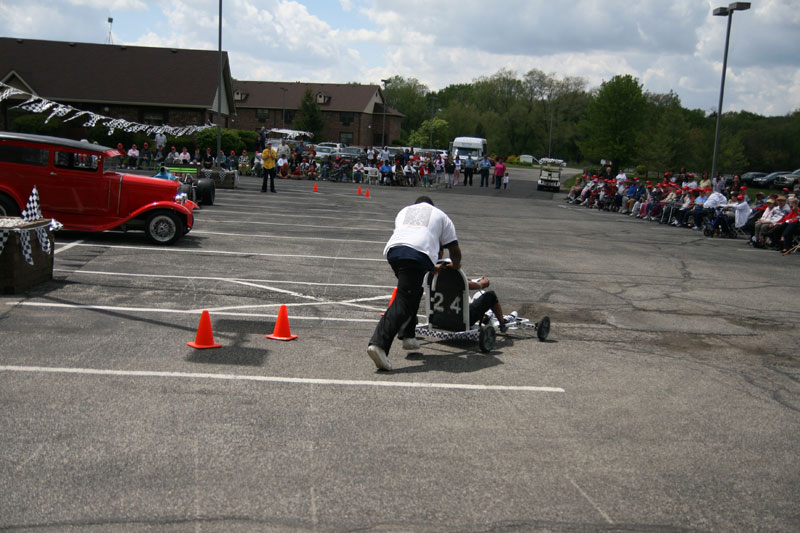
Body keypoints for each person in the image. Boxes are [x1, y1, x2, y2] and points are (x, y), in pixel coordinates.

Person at [367, 196, 461, 371]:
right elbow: (454, 249)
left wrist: (431, 267)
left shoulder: (404, 211)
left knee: (413, 291)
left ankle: (408, 336)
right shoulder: (441, 215)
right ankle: (379, 344)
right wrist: (455, 266)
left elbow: (410, 239)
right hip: (416, 254)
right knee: (404, 298)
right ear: (431, 206)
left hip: (394, 252)